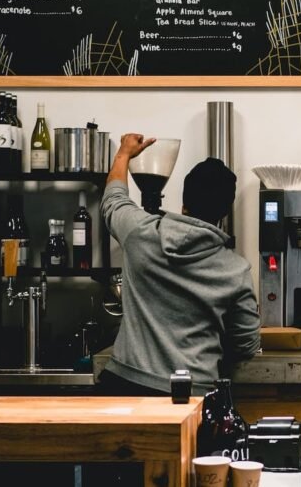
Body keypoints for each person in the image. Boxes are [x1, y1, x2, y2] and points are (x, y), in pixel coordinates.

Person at [98, 133, 261, 395]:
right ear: (224, 212)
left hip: (125, 386)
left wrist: (124, 154)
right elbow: (246, 344)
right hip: (192, 394)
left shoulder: (141, 233)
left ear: (184, 204)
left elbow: (113, 200)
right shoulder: (235, 269)